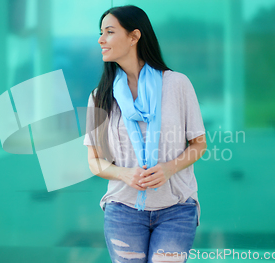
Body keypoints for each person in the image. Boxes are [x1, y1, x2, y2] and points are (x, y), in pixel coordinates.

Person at [83, 5, 207, 263]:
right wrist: (124, 174)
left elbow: (199, 144)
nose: (101, 39)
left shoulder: (177, 84)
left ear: (134, 36)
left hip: (176, 208)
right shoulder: (99, 98)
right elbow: (94, 160)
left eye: (109, 32)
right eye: (101, 33)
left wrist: (169, 168)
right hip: (123, 210)